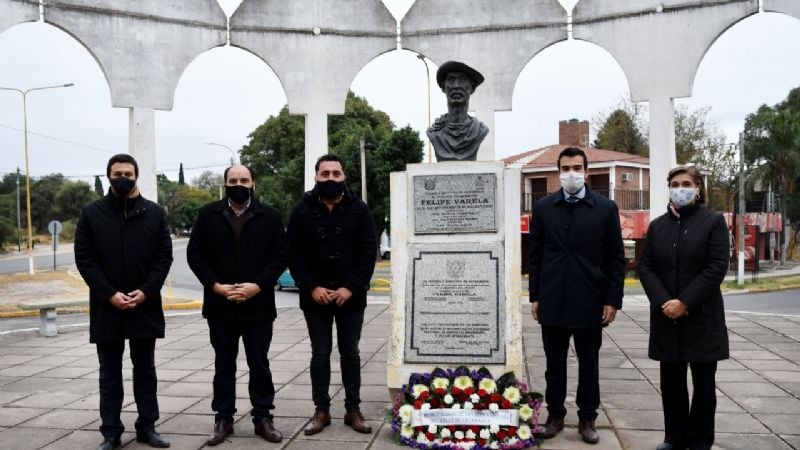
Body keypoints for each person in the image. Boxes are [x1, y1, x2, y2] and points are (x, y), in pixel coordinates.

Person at [528, 146, 626, 444]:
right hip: (553, 298)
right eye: (566, 168)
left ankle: (587, 419)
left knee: (588, 364)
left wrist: (612, 299)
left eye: (577, 168)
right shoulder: (545, 207)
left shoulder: (605, 208)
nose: (571, 173)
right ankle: (555, 415)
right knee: (553, 364)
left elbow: (615, 258)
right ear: (559, 173)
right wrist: (535, 295)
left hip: (590, 300)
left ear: (586, 171)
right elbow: (535, 255)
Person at [74, 153, 173, 450]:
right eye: (118, 173)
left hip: (145, 305)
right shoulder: (92, 213)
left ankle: (147, 427)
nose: (123, 178)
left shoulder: (155, 213)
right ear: (108, 176)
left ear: (136, 176)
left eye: (129, 174)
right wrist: (109, 294)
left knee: (145, 371)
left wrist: (146, 291)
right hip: (108, 307)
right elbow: (85, 259)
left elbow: (163, 258)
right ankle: (111, 432)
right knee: (109, 373)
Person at [187, 164, 289, 445]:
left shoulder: (270, 216)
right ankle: (223, 418)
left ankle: (262, 417)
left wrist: (257, 285)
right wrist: (215, 286)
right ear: (225, 184)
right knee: (223, 364)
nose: (239, 184)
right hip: (221, 305)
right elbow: (195, 254)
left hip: (258, 304)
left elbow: (281, 255)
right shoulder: (208, 214)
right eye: (233, 180)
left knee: (260, 364)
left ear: (253, 183)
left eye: (244, 180)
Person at [638, 165, 730, 450]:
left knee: (703, 387)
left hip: (701, 317)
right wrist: (665, 302)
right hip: (667, 317)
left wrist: (685, 302)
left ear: (698, 188)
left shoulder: (713, 222)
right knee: (671, 385)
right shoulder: (658, 226)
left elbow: (716, 267)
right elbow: (646, 267)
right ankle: (674, 438)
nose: (681, 189)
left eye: (686, 183)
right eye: (675, 184)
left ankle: (700, 441)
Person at [287, 154, 377, 436]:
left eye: (335, 174)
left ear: (344, 177)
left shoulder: (359, 209)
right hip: (315, 298)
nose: (330, 179)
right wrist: (311, 286)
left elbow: (367, 252)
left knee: (350, 352)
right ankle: (321, 410)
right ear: (316, 177)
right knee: (320, 354)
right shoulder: (301, 210)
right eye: (324, 174)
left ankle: (353, 410)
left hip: (351, 297)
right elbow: (293, 253)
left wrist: (350, 287)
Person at [426, 60, 489, 162]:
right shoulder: (435, 133)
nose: (456, 86)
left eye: (462, 80)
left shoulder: (480, 130)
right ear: (443, 87)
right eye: (451, 80)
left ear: (472, 88)